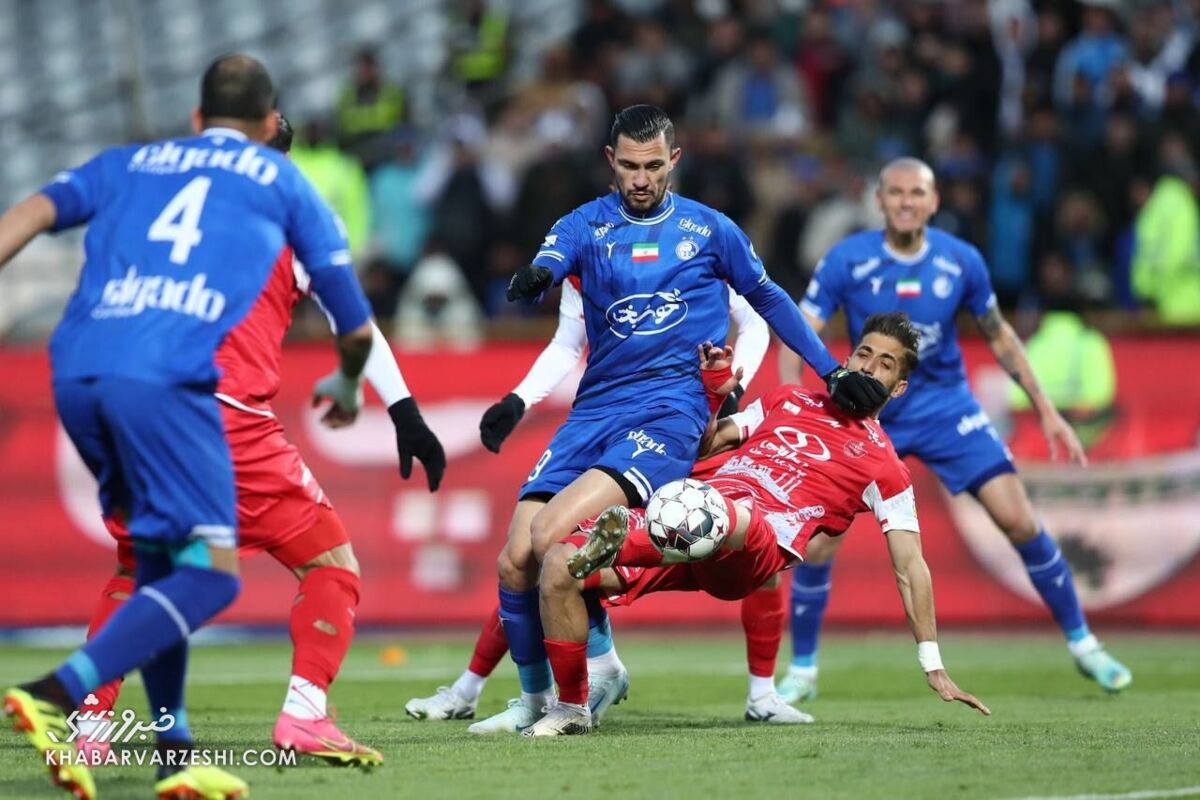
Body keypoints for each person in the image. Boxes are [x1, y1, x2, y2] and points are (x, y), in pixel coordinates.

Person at [0, 55, 374, 800]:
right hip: (180, 390)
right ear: (270, 125)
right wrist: (349, 385)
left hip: (77, 373)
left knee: (152, 566)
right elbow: (357, 328)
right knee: (233, 572)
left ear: (197, 118)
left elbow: (34, 213)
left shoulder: (131, 163)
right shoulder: (281, 184)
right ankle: (59, 692)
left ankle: (164, 752)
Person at [474, 104, 887, 734]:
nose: (641, 179)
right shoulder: (585, 223)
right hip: (595, 409)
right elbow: (553, 258)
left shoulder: (710, 230)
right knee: (514, 559)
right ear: (611, 161)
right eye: (629, 167)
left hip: (669, 412)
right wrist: (538, 276)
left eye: (652, 166)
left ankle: (578, 698)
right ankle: (537, 697)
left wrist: (830, 371)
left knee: (550, 535)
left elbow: (768, 299)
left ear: (674, 160)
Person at [74, 114, 445, 770]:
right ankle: (304, 713)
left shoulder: (159, 207)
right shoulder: (293, 217)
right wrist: (406, 412)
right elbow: (354, 323)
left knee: (138, 570)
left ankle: (90, 725)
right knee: (330, 562)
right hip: (225, 421)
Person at [527, 313, 990, 735]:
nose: (869, 368)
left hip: (753, 544)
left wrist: (932, 662)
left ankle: (621, 542)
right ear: (847, 358)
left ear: (899, 388)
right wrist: (714, 395)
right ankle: (571, 709)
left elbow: (910, 566)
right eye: (864, 354)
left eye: (885, 364)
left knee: (719, 511)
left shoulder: (886, 466)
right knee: (558, 565)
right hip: (689, 522)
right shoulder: (788, 399)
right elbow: (705, 447)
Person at [777, 157, 1131, 705]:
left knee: (1018, 517)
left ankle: (1085, 645)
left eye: (916, 193)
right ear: (880, 200)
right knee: (819, 541)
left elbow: (1001, 336)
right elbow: (801, 331)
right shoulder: (847, 258)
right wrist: (793, 399)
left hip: (946, 408)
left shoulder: (961, 260)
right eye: (896, 193)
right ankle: (802, 669)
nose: (906, 202)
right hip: (869, 412)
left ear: (934, 201)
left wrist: (1046, 409)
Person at [403, 276, 772, 723]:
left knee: (554, 543)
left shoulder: (698, 249)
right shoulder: (584, 255)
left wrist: (733, 390)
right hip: (595, 416)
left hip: (665, 421)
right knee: (518, 559)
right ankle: (516, 696)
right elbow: (566, 344)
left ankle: (753, 690)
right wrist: (520, 399)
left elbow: (757, 319)